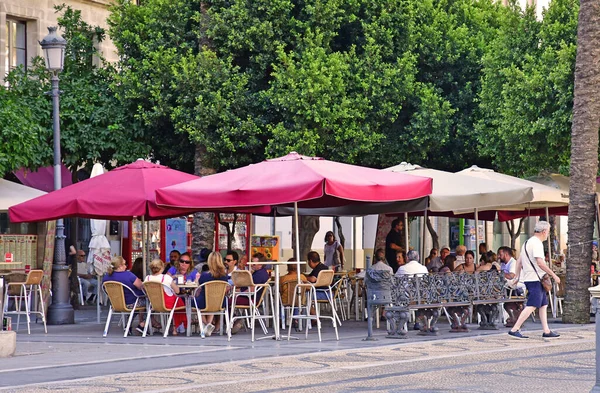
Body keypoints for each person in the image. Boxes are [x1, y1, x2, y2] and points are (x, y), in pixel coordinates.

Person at [508, 221, 561, 339]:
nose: (547, 234)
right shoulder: (537, 244)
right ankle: (514, 329)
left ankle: (546, 330)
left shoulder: (527, 242)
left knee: (543, 304)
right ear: (544, 231)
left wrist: (517, 277)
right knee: (532, 305)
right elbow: (540, 263)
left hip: (531, 278)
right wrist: (553, 275)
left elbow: (519, 261)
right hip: (535, 279)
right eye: (548, 231)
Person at [102, 256, 146, 333]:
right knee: (152, 303)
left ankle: (128, 325)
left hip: (115, 304)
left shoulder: (106, 277)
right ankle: (143, 324)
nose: (126, 266)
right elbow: (141, 287)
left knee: (137, 304)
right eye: (125, 264)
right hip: (131, 303)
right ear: (120, 266)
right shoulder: (128, 275)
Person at [145, 259, 186, 336]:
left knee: (177, 301)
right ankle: (175, 328)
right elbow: (177, 291)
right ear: (162, 268)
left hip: (153, 304)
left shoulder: (147, 278)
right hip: (167, 303)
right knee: (179, 301)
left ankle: (175, 327)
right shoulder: (166, 278)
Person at [195, 251, 228, 337]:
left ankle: (206, 324)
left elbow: (199, 286)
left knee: (192, 301)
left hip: (204, 301)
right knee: (212, 301)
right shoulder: (224, 276)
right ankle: (208, 324)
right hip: (220, 302)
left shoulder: (204, 276)